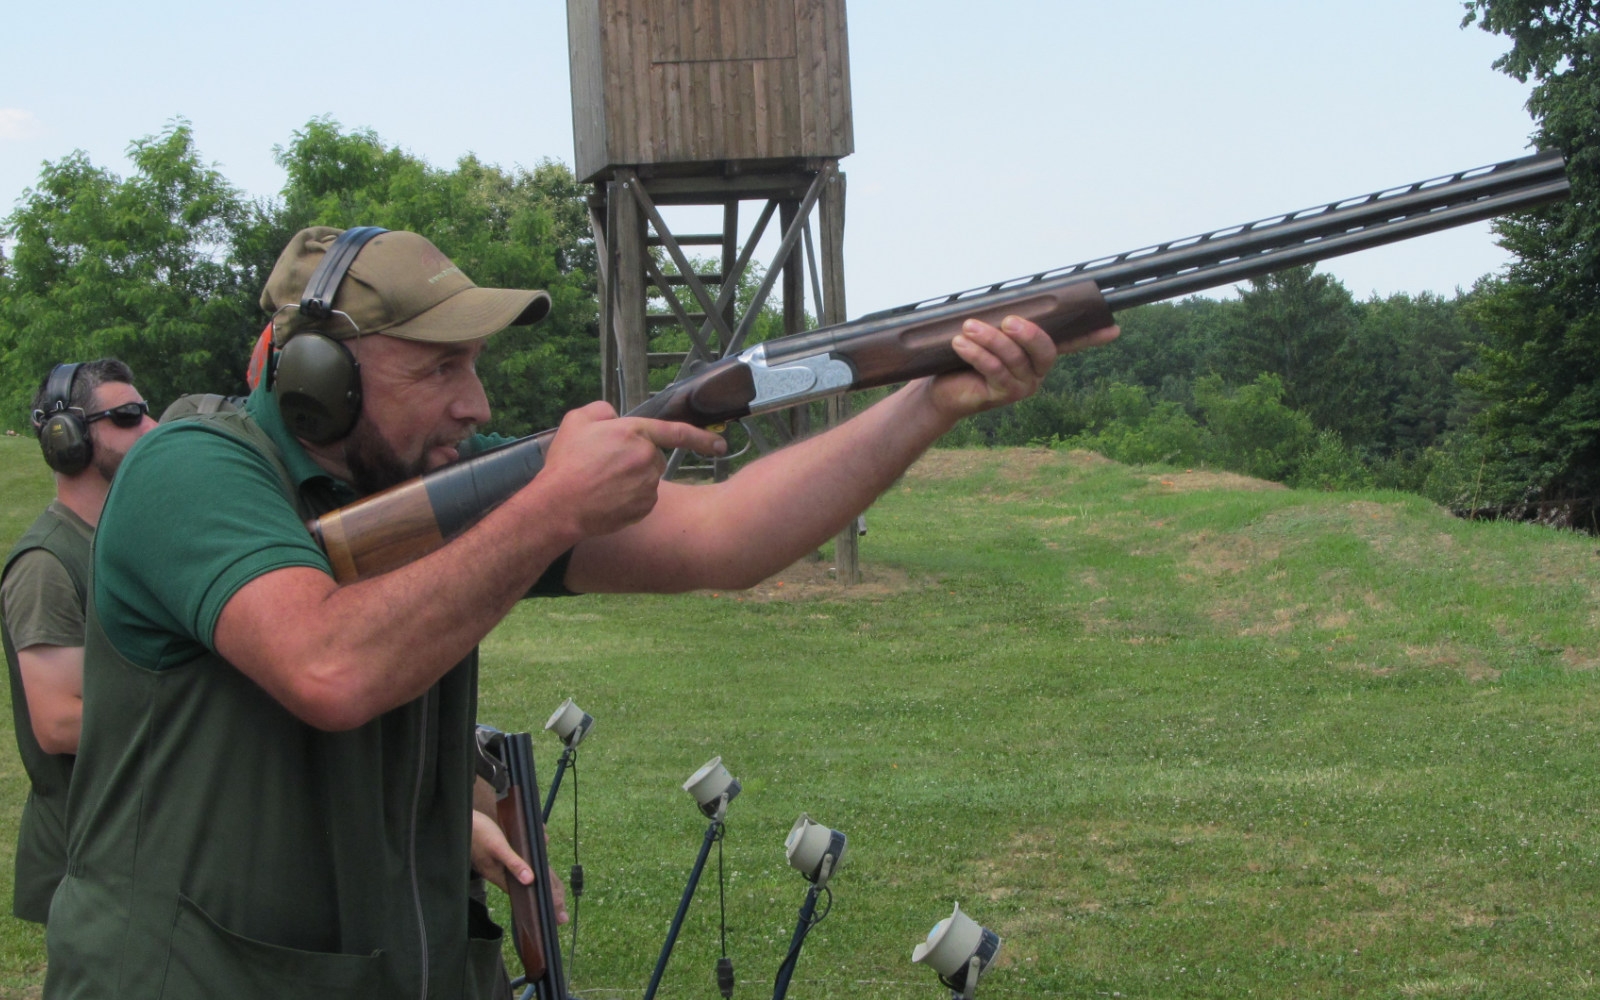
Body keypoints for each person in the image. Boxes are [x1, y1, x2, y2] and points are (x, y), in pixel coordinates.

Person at [45, 226, 1117, 998]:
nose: (476, 402)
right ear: (317, 376)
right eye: (440, 366)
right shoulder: (194, 471)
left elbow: (729, 535)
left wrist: (928, 398)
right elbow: (330, 666)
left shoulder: (428, 491)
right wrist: (549, 500)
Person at [2, 359, 156, 925]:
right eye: (129, 416)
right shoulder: (46, 563)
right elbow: (59, 722)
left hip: (129, 837)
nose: (151, 426)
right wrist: (194, 722)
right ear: (68, 439)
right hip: (89, 853)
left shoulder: (117, 543)